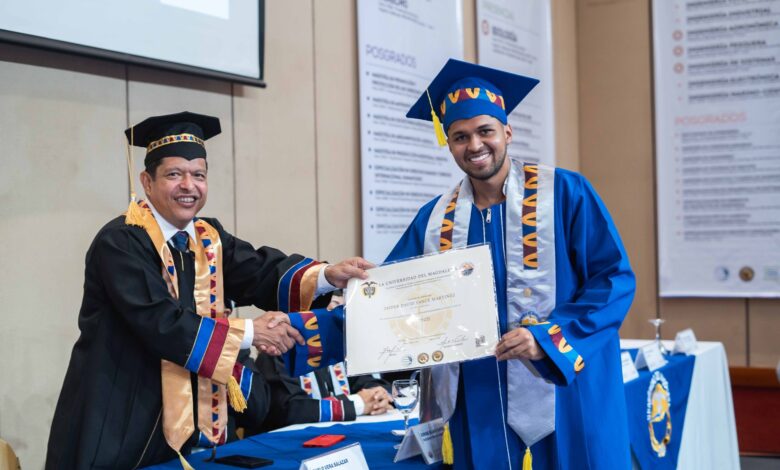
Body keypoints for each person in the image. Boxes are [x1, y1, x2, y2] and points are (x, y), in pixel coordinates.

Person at [284, 60, 636, 469]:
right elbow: (390, 305)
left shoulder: (565, 194)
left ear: (507, 132)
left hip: (565, 395)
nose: (475, 145)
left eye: (485, 131)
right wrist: (295, 331)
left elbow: (613, 280)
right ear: (448, 143)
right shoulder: (434, 221)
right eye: (460, 136)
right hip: (477, 400)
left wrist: (547, 338)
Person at [45, 112, 372, 469]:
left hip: (190, 431)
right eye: (174, 174)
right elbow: (162, 322)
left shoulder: (207, 238)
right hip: (120, 420)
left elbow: (260, 271)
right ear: (147, 182)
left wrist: (327, 275)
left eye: (198, 175)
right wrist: (252, 332)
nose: (189, 185)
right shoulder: (121, 242)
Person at [252, 355, 392, 432]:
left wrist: (377, 396)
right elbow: (291, 409)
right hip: (293, 447)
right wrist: (358, 403)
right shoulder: (275, 353)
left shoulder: (334, 348)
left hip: (342, 437)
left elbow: (364, 381)